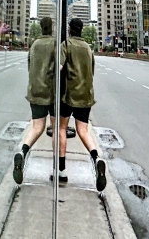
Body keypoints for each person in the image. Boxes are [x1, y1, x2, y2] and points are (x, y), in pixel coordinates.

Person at [57, 18, 107, 191]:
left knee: (62, 129)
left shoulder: (66, 45)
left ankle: (62, 171)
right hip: (86, 96)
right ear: (82, 30)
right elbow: (91, 72)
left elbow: (60, 67)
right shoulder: (88, 48)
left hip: (69, 95)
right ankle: (96, 158)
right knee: (83, 131)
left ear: (70, 30)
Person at [13, 17, 56, 184]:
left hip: (36, 92)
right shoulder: (55, 44)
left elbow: (30, 68)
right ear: (51, 28)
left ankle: (23, 152)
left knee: (37, 127)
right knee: (55, 129)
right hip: (52, 93)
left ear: (40, 28)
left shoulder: (35, 45)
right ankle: (56, 166)